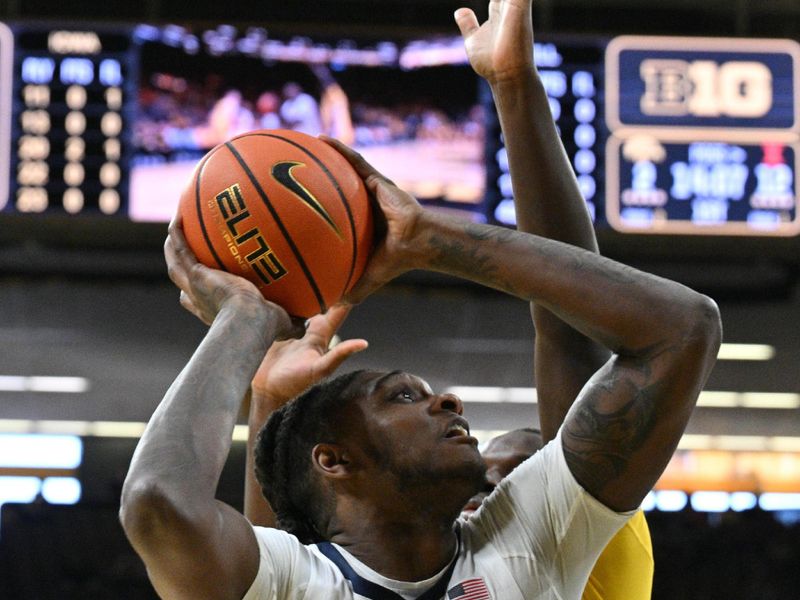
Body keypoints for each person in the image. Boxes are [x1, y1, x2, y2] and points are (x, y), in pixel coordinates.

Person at [120, 2, 722, 600]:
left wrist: (431, 239)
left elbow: (676, 328)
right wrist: (244, 320)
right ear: (333, 461)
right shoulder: (296, 578)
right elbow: (158, 505)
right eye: (404, 396)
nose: (452, 400)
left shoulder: (528, 544)